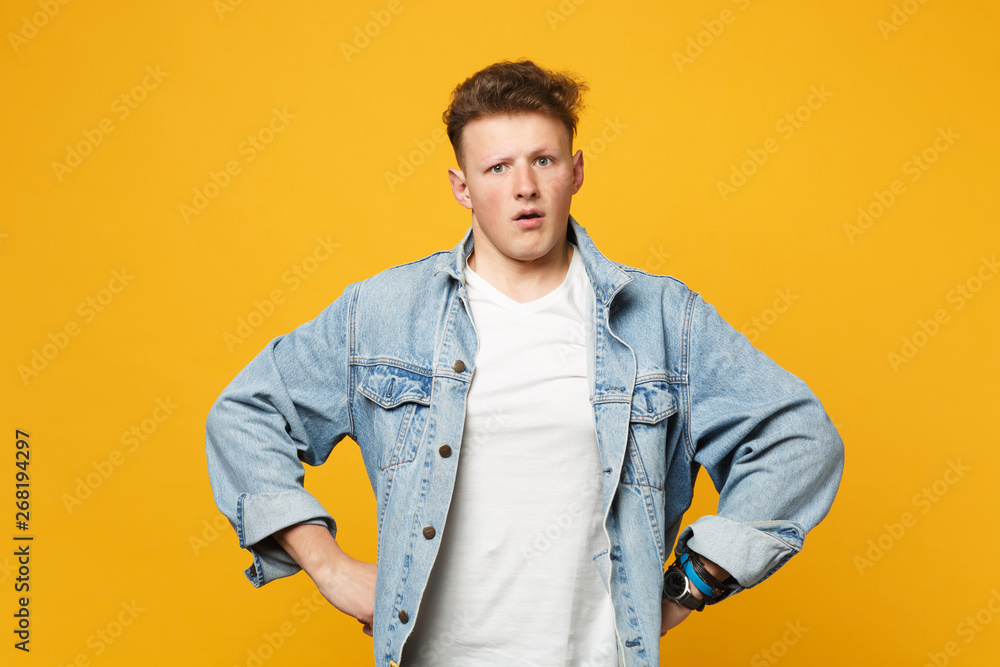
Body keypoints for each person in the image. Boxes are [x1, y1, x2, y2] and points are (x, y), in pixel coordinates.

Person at [205, 59, 844, 667]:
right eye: (497, 168)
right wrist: (329, 565)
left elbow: (798, 440)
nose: (525, 188)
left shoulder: (658, 317)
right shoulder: (384, 314)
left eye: (543, 160)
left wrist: (692, 581)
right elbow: (246, 417)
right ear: (461, 186)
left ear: (576, 170)